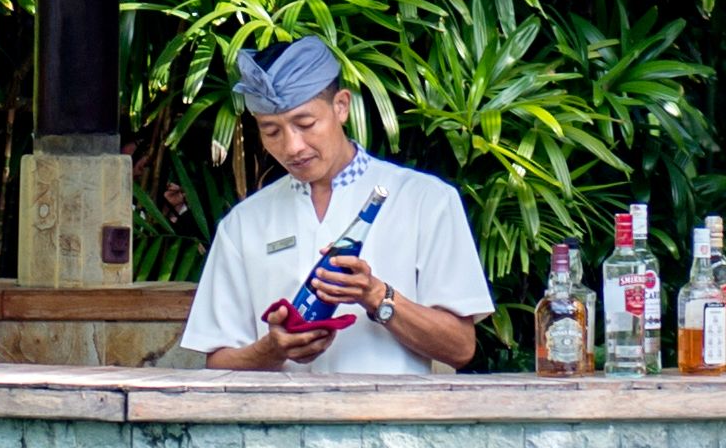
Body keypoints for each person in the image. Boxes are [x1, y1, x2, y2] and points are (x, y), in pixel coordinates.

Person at [183, 36, 494, 372]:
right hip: (281, 422)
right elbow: (217, 360)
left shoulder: (426, 200)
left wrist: (377, 296)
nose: (292, 146)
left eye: (305, 124)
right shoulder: (243, 223)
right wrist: (271, 350)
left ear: (341, 106)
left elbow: (461, 347)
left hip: (391, 422)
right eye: (271, 131)